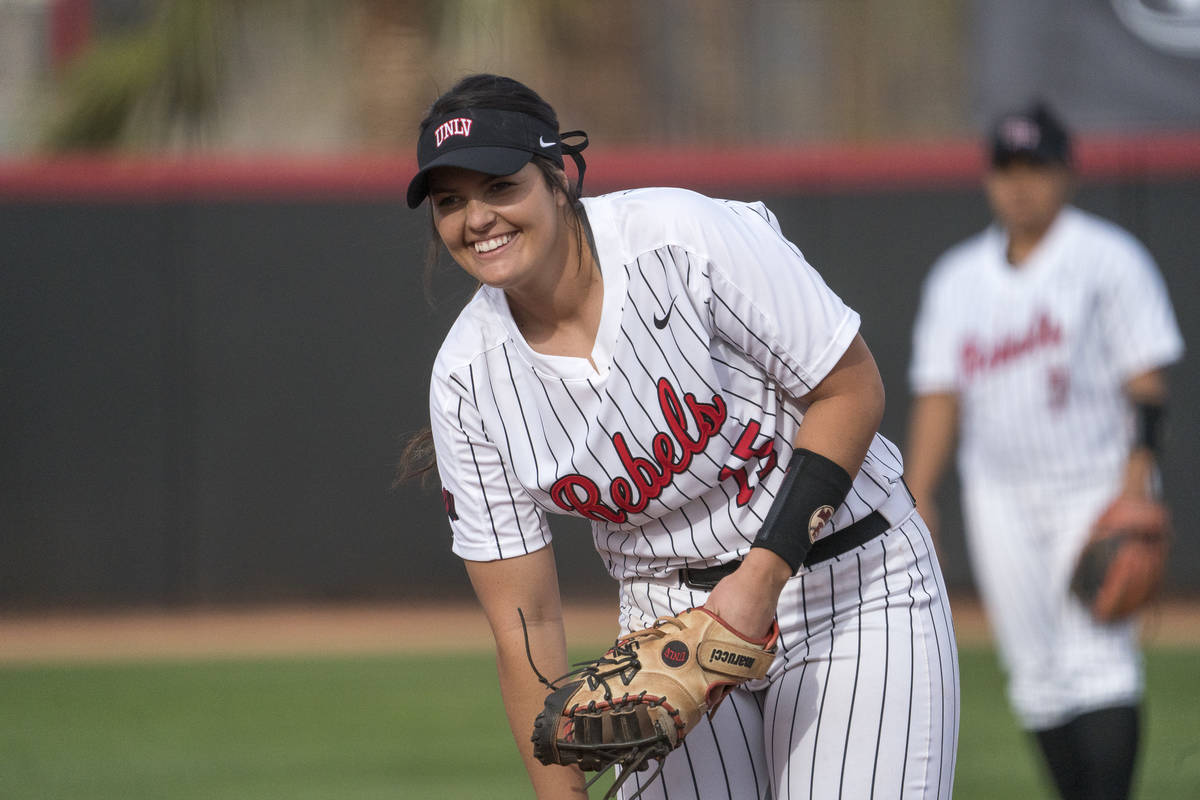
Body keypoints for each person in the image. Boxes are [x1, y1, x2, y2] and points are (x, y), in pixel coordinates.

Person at [401, 73, 959, 799]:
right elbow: (525, 623)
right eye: (450, 201)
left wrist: (761, 577)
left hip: (849, 584)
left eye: (499, 186)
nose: (476, 218)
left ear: (557, 178)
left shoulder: (681, 239)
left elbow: (852, 388)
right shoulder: (467, 379)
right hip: (669, 635)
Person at [904, 101, 1184, 800]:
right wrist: (918, 494)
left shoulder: (1108, 259)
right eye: (1007, 169)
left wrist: (1135, 486)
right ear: (990, 178)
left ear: (1067, 174)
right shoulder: (956, 278)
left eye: (1035, 168)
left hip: (1093, 484)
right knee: (1034, 669)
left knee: (1099, 661)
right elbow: (939, 394)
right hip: (996, 489)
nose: (1020, 184)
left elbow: (1147, 382)